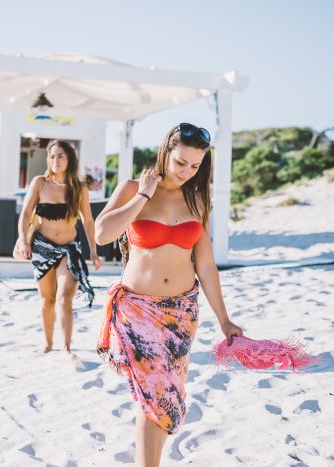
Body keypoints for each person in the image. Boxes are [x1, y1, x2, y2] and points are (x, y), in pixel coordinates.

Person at [94, 123, 243, 467]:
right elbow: (103, 233)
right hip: (137, 312)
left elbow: (205, 266)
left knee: (167, 396)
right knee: (157, 395)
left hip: (181, 314)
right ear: (166, 152)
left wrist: (224, 319)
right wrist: (143, 196)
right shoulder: (133, 188)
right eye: (180, 163)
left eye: (195, 166)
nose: (186, 172)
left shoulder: (197, 198)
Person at [16, 140, 102, 354]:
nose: (56, 160)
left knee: (65, 299)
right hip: (42, 248)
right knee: (48, 299)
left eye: (61, 156)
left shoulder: (79, 187)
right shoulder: (39, 183)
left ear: (70, 158)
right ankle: (48, 342)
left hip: (69, 249)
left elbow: (88, 221)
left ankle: (66, 346)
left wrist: (93, 249)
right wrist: (23, 239)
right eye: (52, 156)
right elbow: (26, 213)